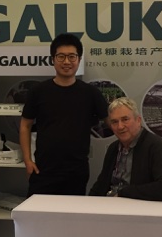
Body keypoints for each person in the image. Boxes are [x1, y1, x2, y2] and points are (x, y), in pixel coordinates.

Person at [20, 34, 109, 196]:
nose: (66, 62)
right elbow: (25, 125)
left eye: (72, 56)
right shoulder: (38, 91)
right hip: (42, 170)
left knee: (73, 212)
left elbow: (111, 121)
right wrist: (27, 160)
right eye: (61, 56)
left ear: (79, 59)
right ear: (53, 59)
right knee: (37, 212)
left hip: (76, 172)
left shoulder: (90, 93)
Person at [89, 97, 162, 202]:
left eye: (125, 119)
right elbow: (100, 186)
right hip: (111, 205)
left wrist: (124, 193)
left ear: (138, 121)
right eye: (114, 122)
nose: (120, 126)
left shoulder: (156, 146)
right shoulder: (113, 148)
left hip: (139, 208)